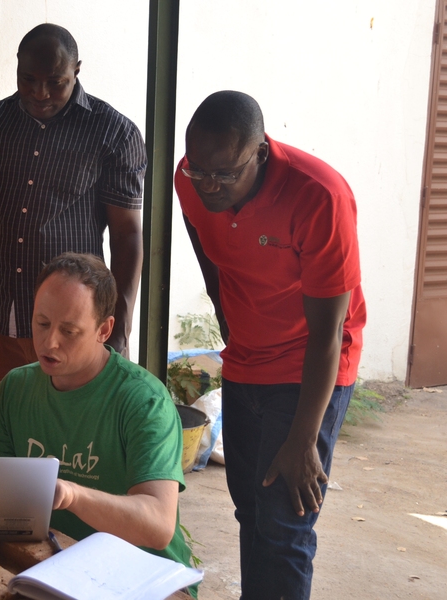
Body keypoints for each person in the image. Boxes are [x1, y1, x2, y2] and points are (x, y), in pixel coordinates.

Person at [175, 91, 366, 600]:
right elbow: (206, 244)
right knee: (251, 510)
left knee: (285, 524)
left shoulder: (318, 197)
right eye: (199, 172)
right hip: (247, 357)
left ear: (259, 153)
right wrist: (225, 315)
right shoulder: (190, 178)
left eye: (224, 173)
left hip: (311, 359)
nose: (209, 186)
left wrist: (303, 440)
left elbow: (327, 336)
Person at [0, 253, 196, 597]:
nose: (50, 342)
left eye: (69, 331)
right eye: (41, 323)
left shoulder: (143, 401)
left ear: (104, 330)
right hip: (56, 561)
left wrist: (72, 495)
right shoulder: (15, 387)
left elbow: (158, 525)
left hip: (144, 575)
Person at [0, 24, 146, 397]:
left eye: (56, 81)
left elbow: (127, 235)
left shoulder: (114, 133)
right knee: (1, 434)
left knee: (66, 438)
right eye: (28, 79)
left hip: (70, 326)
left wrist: (120, 327)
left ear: (77, 70)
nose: (40, 93)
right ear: (16, 67)